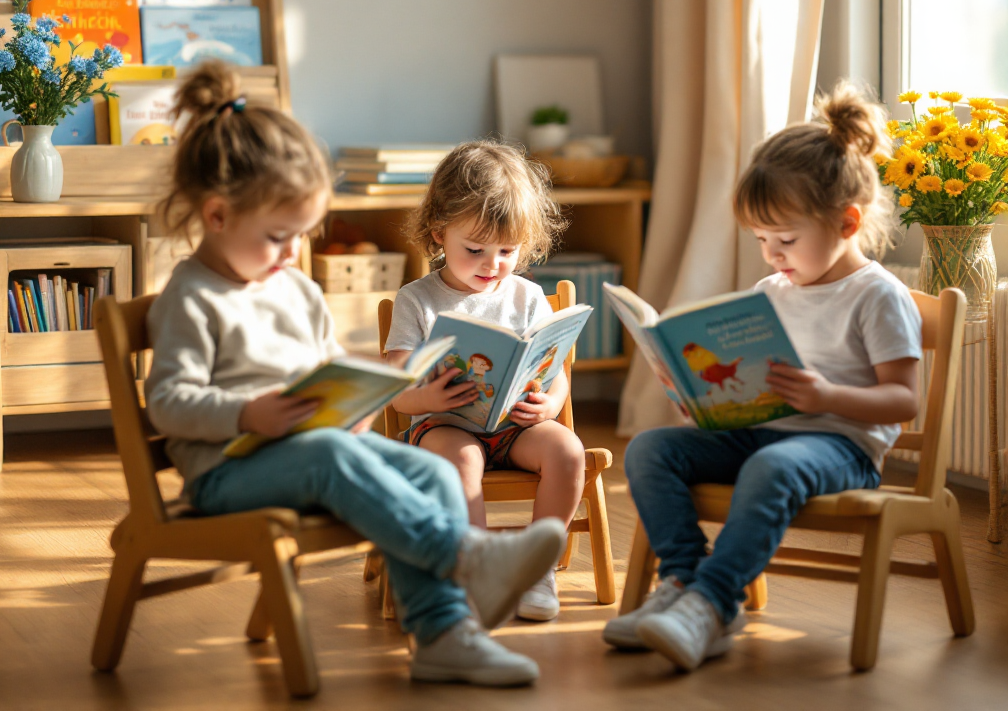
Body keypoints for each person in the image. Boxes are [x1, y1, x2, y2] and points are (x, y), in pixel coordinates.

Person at [144, 62, 565, 687]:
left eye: (301, 236)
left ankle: (444, 633)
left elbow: (324, 373)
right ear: (216, 217)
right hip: (228, 470)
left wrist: (360, 399)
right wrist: (245, 412)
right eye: (279, 237)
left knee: (427, 470)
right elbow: (167, 403)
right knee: (328, 457)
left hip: (307, 449)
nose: (293, 255)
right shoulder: (192, 296)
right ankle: (470, 559)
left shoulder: (292, 288)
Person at [604, 83, 923, 671]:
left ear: (848, 222)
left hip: (840, 445)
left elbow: (903, 400)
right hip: (761, 431)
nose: (773, 256)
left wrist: (828, 395)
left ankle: (713, 602)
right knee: (651, 449)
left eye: (787, 240)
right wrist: (700, 397)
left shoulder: (877, 295)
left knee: (771, 465)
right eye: (761, 241)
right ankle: (682, 582)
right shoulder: (769, 292)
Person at [386, 140, 586, 623]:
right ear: (439, 233)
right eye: (474, 249)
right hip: (444, 426)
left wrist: (550, 405)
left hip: (516, 425)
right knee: (461, 459)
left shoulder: (528, 296)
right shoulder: (418, 300)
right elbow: (394, 381)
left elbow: (554, 372)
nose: (492, 264)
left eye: (508, 251)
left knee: (568, 451)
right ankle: (481, 569)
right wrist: (426, 394)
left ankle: (536, 568)